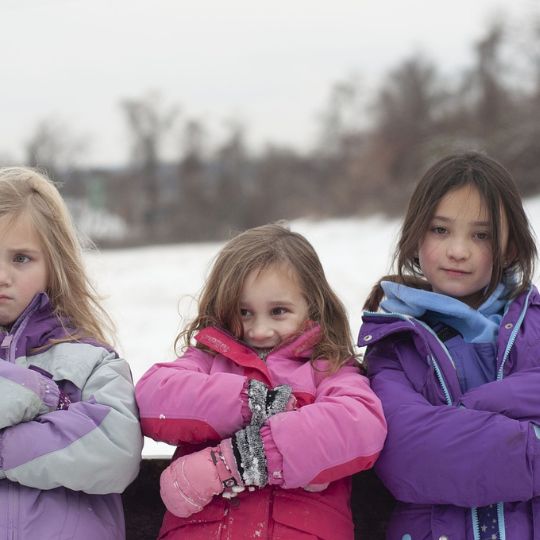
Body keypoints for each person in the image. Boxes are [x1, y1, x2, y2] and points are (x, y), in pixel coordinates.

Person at [136, 223, 386, 540]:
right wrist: (256, 403)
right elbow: (152, 398)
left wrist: (236, 461)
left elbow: (359, 426)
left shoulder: (329, 369)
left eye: (278, 311)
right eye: (244, 312)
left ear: (313, 305)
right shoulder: (209, 360)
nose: (259, 331)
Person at [358, 151, 540, 539]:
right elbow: (409, 457)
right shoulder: (394, 345)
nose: (458, 251)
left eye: (481, 235)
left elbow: (450, 447)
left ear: (509, 247)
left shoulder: (535, 327)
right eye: (441, 230)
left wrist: (459, 413)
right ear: (416, 234)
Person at [0, 167, 142, 540]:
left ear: (54, 265)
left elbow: (114, 449)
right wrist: (49, 407)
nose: (2, 275)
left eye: (20, 258)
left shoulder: (90, 362)